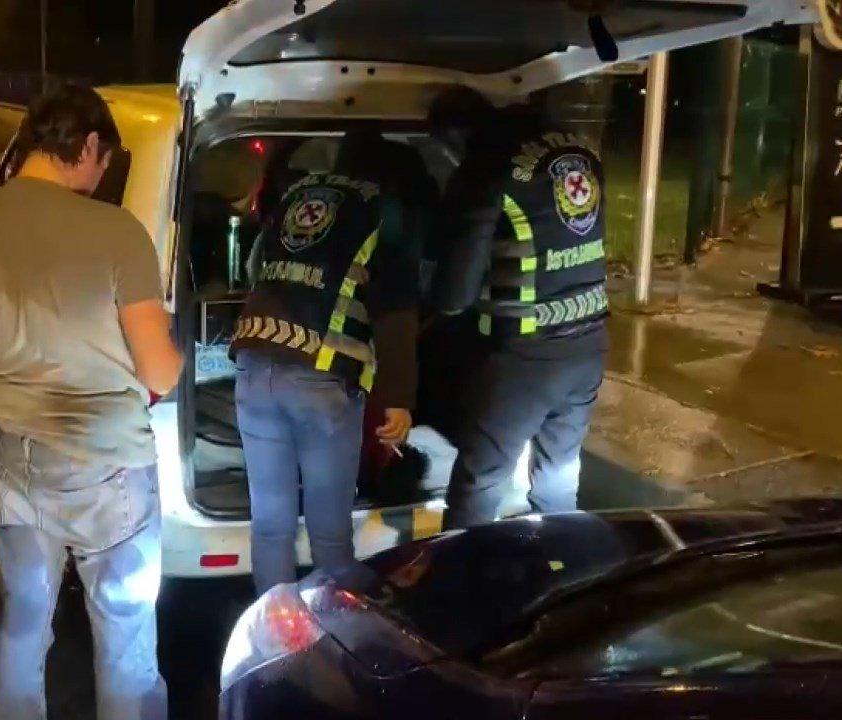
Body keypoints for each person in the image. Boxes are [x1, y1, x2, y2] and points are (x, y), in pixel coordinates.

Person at [0, 83, 182, 720]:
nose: (101, 179)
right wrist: (175, 352)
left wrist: (25, 357)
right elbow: (159, 369)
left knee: (20, 630)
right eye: (105, 164)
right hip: (112, 474)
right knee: (125, 638)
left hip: (19, 467)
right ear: (90, 145)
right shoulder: (118, 231)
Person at [231, 129, 421, 595]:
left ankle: (274, 631)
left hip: (254, 365)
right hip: (320, 380)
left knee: (270, 525)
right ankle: (343, 631)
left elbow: (255, 267)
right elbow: (395, 310)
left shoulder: (297, 193)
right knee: (330, 538)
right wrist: (398, 398)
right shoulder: (384, 209)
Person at [428, 86, 609, 529]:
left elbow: (453, 297)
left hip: (525, 356)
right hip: (589, 344)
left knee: (480, 482)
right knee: (558, 475)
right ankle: (561, 560)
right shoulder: (579, 149)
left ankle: (462, 570)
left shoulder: (487, 168)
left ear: (457, 136)